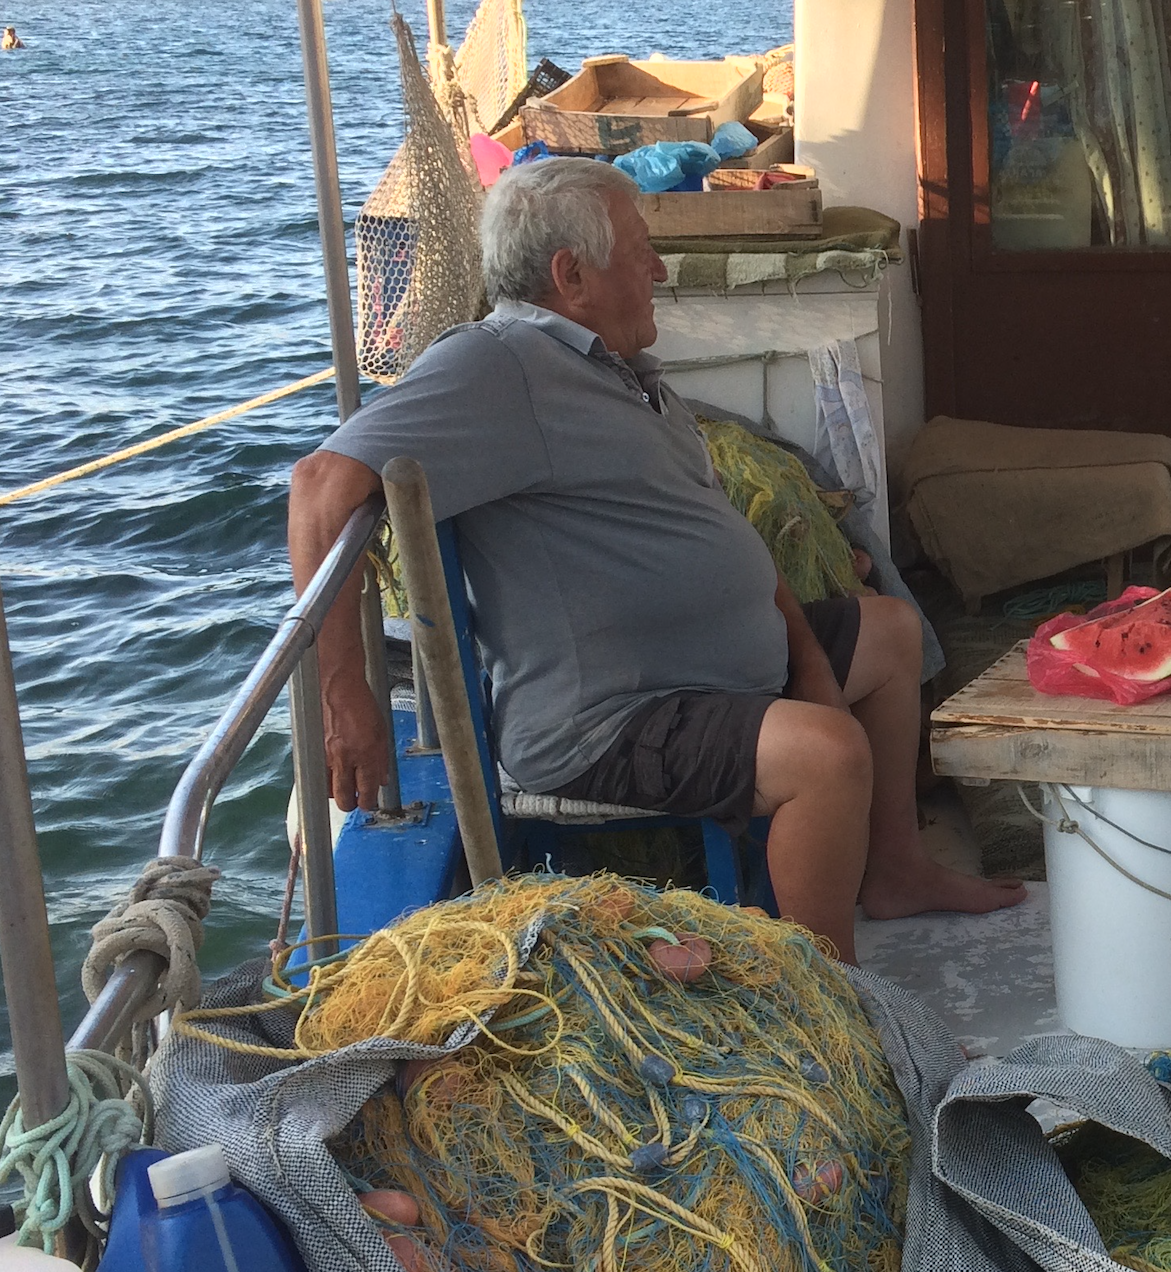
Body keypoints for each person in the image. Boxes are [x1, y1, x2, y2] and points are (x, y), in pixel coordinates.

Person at [288, 157, 1022, 963]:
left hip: (710, 674)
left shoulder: (618, 369)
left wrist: (808, 662)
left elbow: (720, 538)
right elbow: (322, 484)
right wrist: (343, 695)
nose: (660, 270)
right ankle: (828, 996)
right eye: (641, 252)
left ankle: (895, 870)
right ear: (572, 276)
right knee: (826, 753)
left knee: (889, 633)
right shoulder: (499, 366)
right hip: (611, 718)